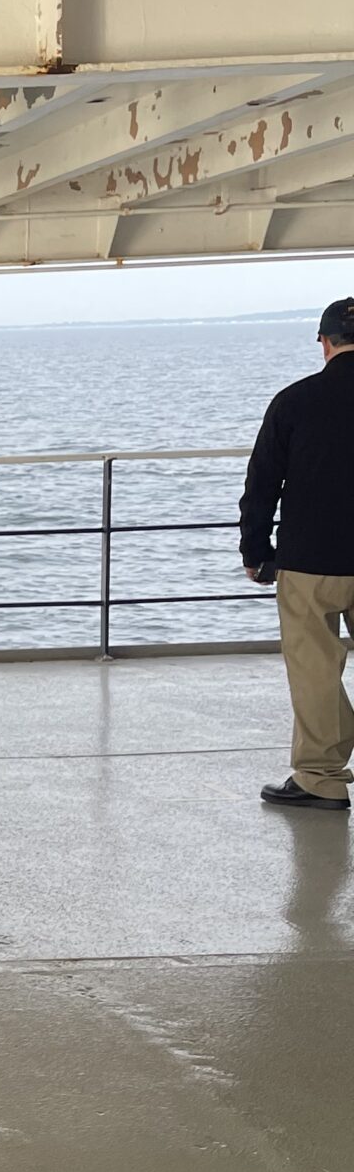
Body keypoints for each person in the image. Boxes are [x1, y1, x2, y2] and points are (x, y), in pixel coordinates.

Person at [241, 295, 354, 813]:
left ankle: (321, 779)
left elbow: (262, 483)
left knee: (315, 670)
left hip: (310, 559)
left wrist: (256, 550)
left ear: (324, 342)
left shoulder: (294, 401)